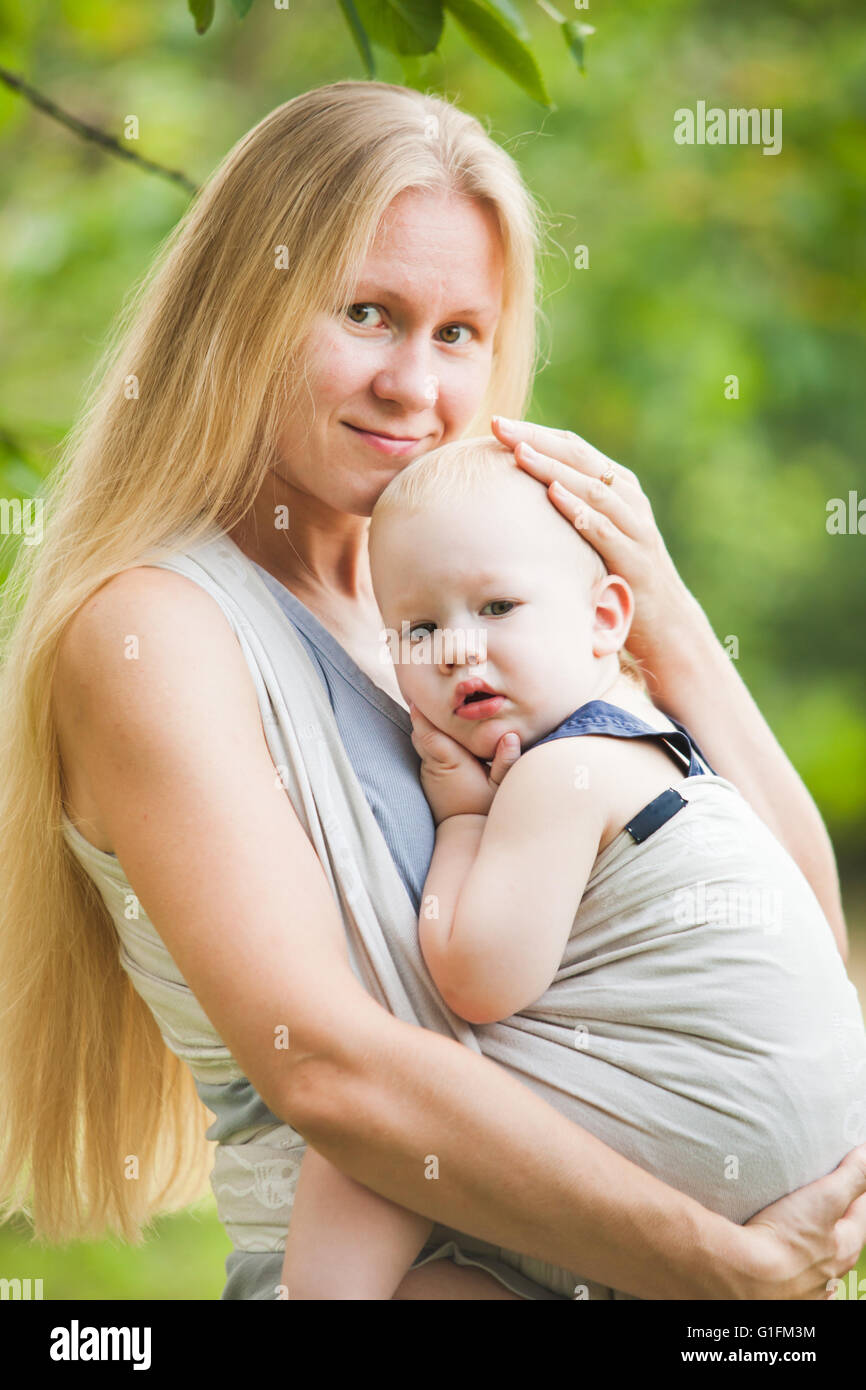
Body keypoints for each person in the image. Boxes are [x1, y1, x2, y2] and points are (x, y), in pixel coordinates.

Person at [1, 81, 864, 1302]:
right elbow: (332, 1072)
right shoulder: (157, 632)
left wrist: (668, 628)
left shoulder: (460, 606)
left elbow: (783, 932)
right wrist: (713, 1264)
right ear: (244, 310)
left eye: (459, 333)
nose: (416, 385)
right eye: (368, 314)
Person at [278, 435, 866, 1299]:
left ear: (603, 619)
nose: (456, 649)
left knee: (383, 1142)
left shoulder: (562, 773)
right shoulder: (653, 744)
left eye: (498, 606)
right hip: (799, 1148)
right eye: (422, 626)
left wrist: (463, 821)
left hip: (719, 1126)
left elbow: (477, 978)